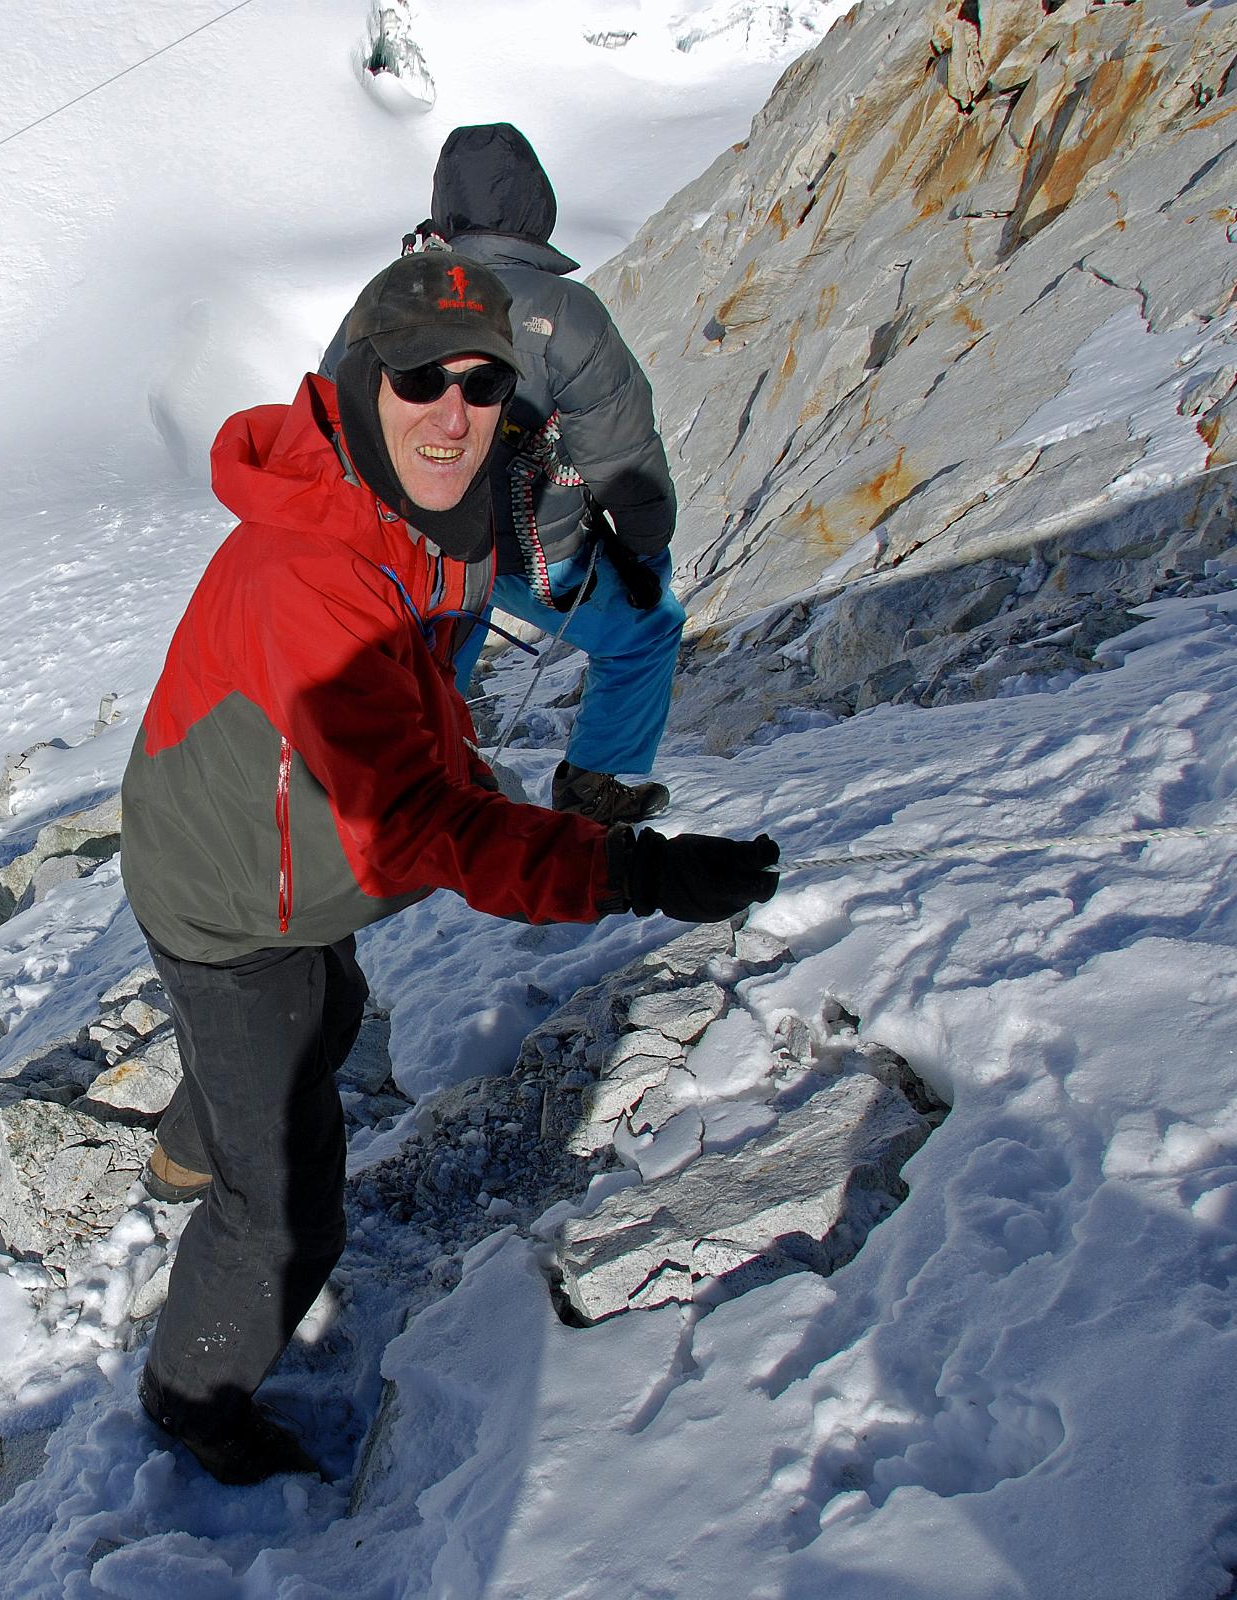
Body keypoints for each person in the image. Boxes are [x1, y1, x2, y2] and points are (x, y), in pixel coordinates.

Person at [123, 250, 778, 1486]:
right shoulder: (319, 577)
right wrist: (629, 870)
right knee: (286, 1211)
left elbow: (409, 733)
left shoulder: (394, 507)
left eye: (482, 387)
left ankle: (194, 1132)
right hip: (225, 900)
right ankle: (190, 1398)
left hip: (255, 853)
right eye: (422, 378)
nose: (453, 412)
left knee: (329, 1014)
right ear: (365, 380)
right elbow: (418, 825)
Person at [322, 124, 684, 825]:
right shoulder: (567, 313)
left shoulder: (390, 299)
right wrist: (643, 550)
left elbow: (327, 411)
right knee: (649, 629)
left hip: (419, 545)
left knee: (439, 648)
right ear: (535, 206)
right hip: (534, 554)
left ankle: (419, 782)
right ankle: (593, 782)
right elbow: (624, 459)